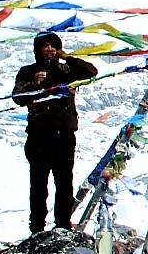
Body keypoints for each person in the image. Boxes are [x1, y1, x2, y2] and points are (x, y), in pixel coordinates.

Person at [11, 32, 98, 236]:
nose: (49, 49)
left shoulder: (67, 70)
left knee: (64, 183)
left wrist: (66, 56)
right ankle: (37, 229)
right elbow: (18, 96)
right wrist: (34, 83)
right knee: (39, 185)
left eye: (53, 46)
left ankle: (63, 225)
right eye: (45, 46)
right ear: (37, 50)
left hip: (65, 135)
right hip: (39, 136)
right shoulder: (28, 72)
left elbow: (91, 71)